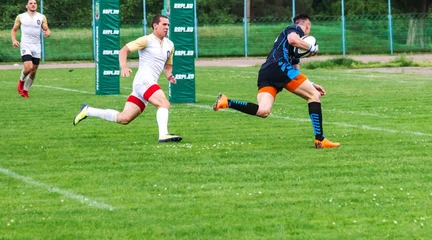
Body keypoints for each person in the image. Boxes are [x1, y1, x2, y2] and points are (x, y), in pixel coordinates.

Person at [213, 13, 340, 149]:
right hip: (279, 67)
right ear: (307, 25)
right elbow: (292, 40)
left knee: (263, 111)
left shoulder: (293, 51)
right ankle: (320, 139)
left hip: (267, 71)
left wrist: (312, 84)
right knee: (314, 96)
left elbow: (295, 71)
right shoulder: (295, 29)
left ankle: (227, 102)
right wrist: (312, 48)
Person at [73, 15, 182, 143]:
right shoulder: (146, 40)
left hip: (144, 85)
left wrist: (169, 75)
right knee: (164, 104)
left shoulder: (170, 44)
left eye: (168, 25)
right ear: (155, 26)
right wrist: (124, 66)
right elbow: (123, 50)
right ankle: (163, 134)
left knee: (124, 118)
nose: (167, 27)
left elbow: (168, 65)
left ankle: (88, 111)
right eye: (164, 24)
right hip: (144, 80)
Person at [10, 0, 51, 98]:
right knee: (28, 67)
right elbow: (14, 30)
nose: (33, 5)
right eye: (30, 3)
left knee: (34, 70)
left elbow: (46, 29)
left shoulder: (41, 17)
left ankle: (25, 90)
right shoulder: (21, 17)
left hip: (37, 46)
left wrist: (48, 32)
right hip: (26, 44)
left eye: (35, 3)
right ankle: (21, 81)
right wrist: (14, 40)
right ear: (27, 6)